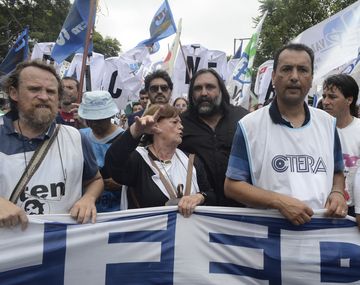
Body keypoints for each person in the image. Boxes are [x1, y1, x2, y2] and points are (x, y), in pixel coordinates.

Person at [224, 43, 347, 225]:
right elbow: (232, 186)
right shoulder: (249, 126)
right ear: (274, 76)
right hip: (270, 242)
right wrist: (278, 201)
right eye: (287, 69)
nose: (295, 77)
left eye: (303, 70)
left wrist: (337, 192)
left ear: (312, 78)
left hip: (319, 240)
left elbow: (337, 172)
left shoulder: (327, 124)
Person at [0, 60, 104, 230]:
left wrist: (88, 198)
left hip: (60, 248)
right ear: (14, 93)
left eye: (51, 91)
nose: (44, 96)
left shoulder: (76, 138)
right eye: (34, 89)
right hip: (8, 250)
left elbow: (96, 179)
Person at [105, 104, 215, 216]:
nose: (181, 126)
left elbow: (211, 195)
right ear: (156, 125)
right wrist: (136, 130)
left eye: (180, 122)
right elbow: (113, 163)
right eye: (174, 122)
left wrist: (200, 197)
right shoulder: (138, 159)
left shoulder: (192, 161)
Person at [179, 68, 249, 206]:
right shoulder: (180, 123)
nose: (204, 93)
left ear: (221, 91)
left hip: (243, 211)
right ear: (191, 94)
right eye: (198, 88)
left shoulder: (243, 118)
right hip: (198, 212)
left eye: (210, 87)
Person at [78, 90, 124, 212]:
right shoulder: (81, 136)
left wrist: (122, 184)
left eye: (99, 120)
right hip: (87, 207)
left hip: (118, 209)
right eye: (89, 119)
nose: (93, 124)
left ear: (109, 116)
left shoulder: (126, 140)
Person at [322, 74, 360, 217]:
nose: (325, 102)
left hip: (353, 211)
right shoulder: (316, 130)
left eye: (332, 97)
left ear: (349, 99)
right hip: (322, 208)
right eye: (324, 96)